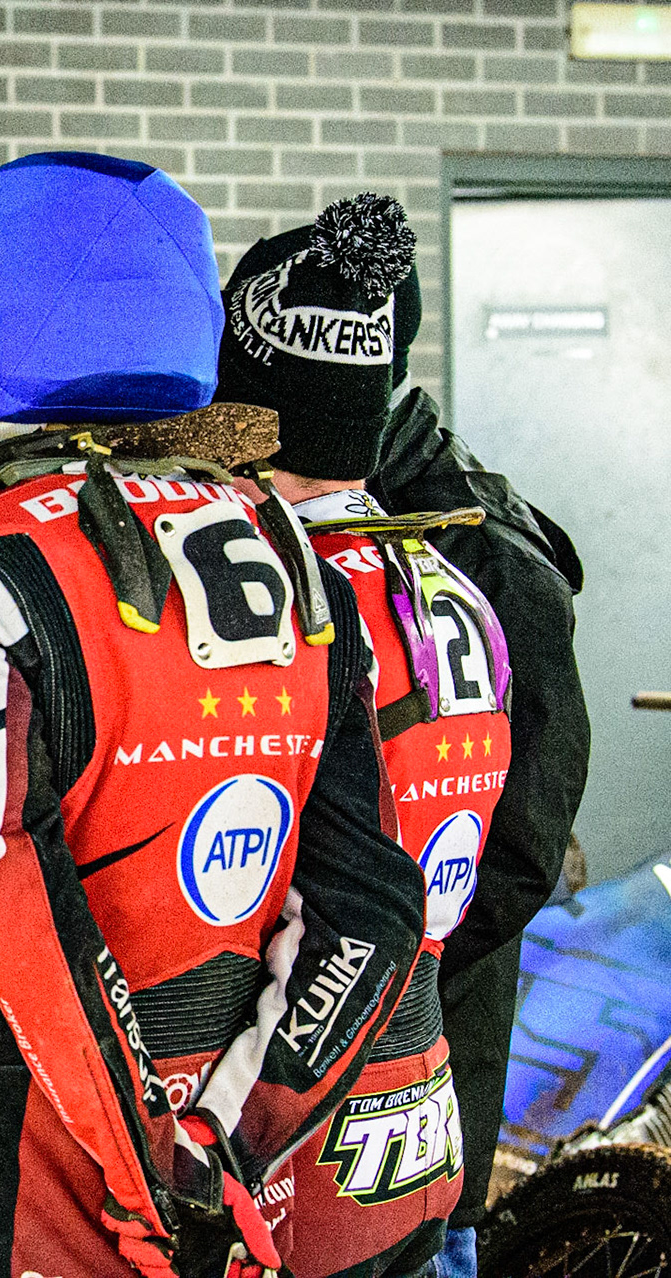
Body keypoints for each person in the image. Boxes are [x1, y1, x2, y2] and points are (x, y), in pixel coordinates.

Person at [0, 152, 426, 1278]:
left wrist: (145, 1164)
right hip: (241, 1157)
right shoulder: (290, 541)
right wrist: (227, 1134)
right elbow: (374, 900)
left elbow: (11, 900)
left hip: (51, 1144)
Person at [217, 193, 514, 1277]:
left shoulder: (268, 611)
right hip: (423, 1109)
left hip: (294, 1132)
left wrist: (223, 1133)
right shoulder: (457, 588)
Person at [370, 270, 590, 1278]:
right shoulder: (298, 515)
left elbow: (522, 851)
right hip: (292, 1099)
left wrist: (372, 979)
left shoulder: (487, 547)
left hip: (429, 1066)